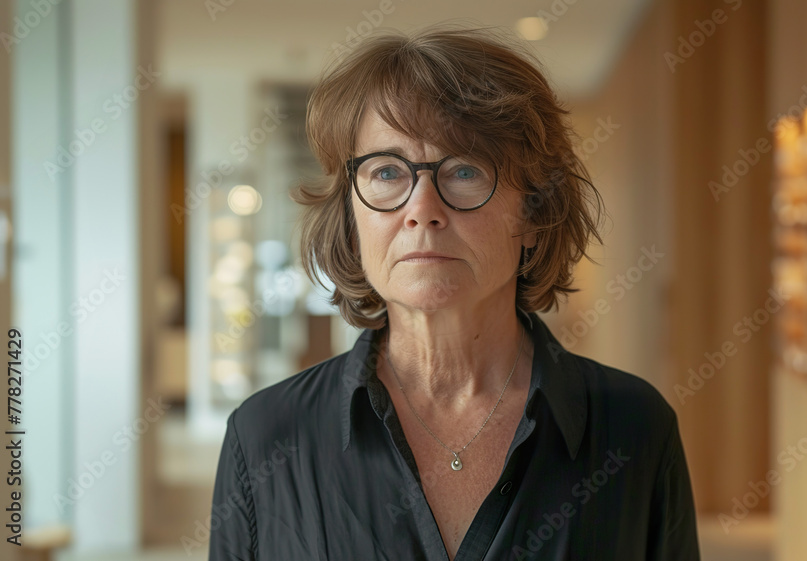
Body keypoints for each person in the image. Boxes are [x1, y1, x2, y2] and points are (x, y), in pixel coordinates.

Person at [208, 23, 700, 561]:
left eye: (464, 170)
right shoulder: (266, 437)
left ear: (534, 212)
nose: (422, 209)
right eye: (387, 171)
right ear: (351, 217)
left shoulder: (634, 429)